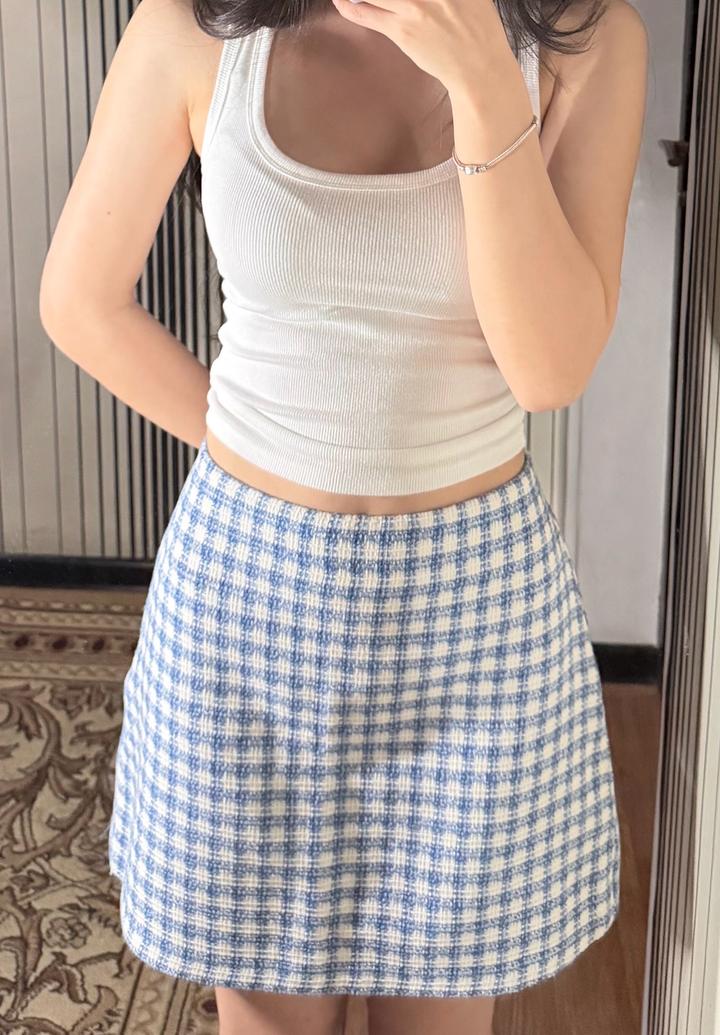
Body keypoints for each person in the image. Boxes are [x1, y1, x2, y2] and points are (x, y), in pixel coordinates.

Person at [38, 0, 648, 1031]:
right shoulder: (194, 30)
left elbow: (549, 369)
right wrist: (262, 445)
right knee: (267, 1007)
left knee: (444, 1003)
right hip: (245, 603)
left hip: (476, 614)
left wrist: (486, 87)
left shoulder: (584, 39)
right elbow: (81, 300)